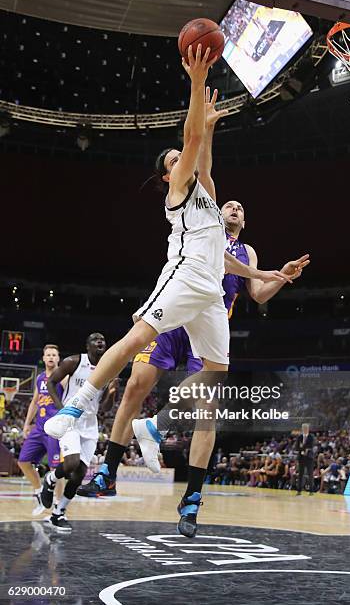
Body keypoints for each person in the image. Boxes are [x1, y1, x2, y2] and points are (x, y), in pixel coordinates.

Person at [45, 45, 295, 538]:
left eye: (186, 157)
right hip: (181, 280)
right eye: (176, 159)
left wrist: (267, 277)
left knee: (212, 399)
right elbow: (191, 136)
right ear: (167, 173)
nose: (185, 159)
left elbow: (203, 153)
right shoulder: (178, 188)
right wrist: (197, 84)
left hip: (210, 296)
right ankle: (80, 404)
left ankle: (192, 498)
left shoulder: (207, 193)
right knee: (138, 339)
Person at [40, 333, 117, 531]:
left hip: (90, 423)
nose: (100, 342)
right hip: (70, 419)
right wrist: (61, 408)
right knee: (71, 462)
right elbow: (51, 382)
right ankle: (50, 479)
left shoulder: (108, 369)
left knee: (80, 473)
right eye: (96, 339)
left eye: (103, 340)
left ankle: (59, 513)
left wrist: (112, 394)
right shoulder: (74, 361)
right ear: (87, 345)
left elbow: (106, 408)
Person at [18, 345, 64, 516]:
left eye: (54, 355)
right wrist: (26, 424)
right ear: (43, 358)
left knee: (56, 469)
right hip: (38, 428)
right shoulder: (40, 378)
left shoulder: (63, 377)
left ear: (58, 359)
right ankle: (39, 493)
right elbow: (34, 402)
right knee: (23, 461)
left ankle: (58, 507)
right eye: (48, 355)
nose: (51, 357)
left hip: (55, 429)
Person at [295, 423, 315, 495]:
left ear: (308, 429)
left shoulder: (311, 437)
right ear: (302, 429)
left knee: (310, 474)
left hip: (309, 458)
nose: (305, 430)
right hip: (301, 457)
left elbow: (311, 446)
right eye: (304, 428)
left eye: (306, 428)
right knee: (300, 474)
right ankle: (299, 490)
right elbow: (297, 447)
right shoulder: (299, 437)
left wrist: (302, 447)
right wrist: (304, 448)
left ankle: (311, 491)